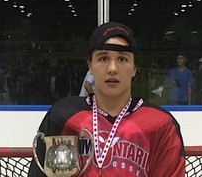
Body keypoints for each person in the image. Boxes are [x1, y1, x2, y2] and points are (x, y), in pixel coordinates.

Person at [28, 21, 185, 177]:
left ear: (135, 68)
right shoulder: (63, 116)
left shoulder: (161, 124)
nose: (112, 69)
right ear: (90, 66)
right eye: (103, 59)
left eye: (122, 59)